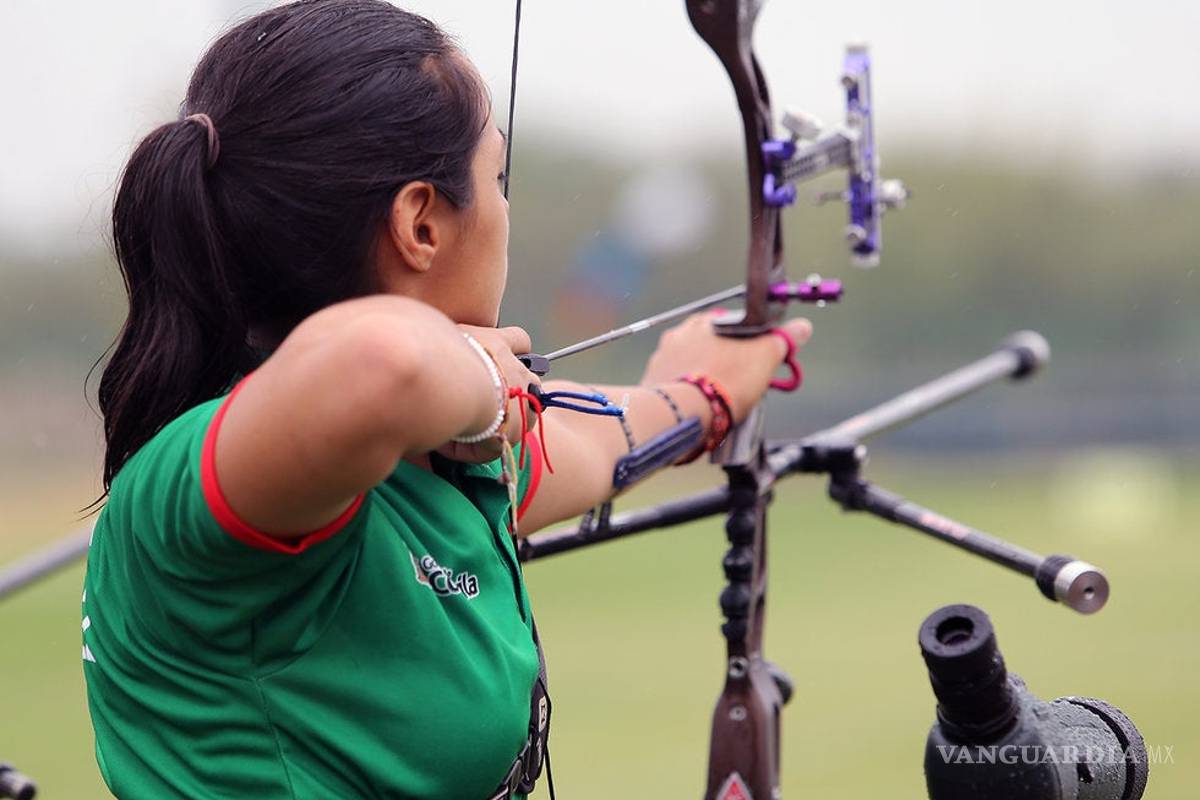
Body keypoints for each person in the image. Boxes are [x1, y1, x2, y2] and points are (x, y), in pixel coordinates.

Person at [81, 1, 813, 798]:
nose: (503, 208)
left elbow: (589, 443)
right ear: (421, 225)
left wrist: (700, 392)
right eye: (495, 179)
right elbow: (385, 363)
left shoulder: (422, 463)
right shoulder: (208, 481)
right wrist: (483, 385)